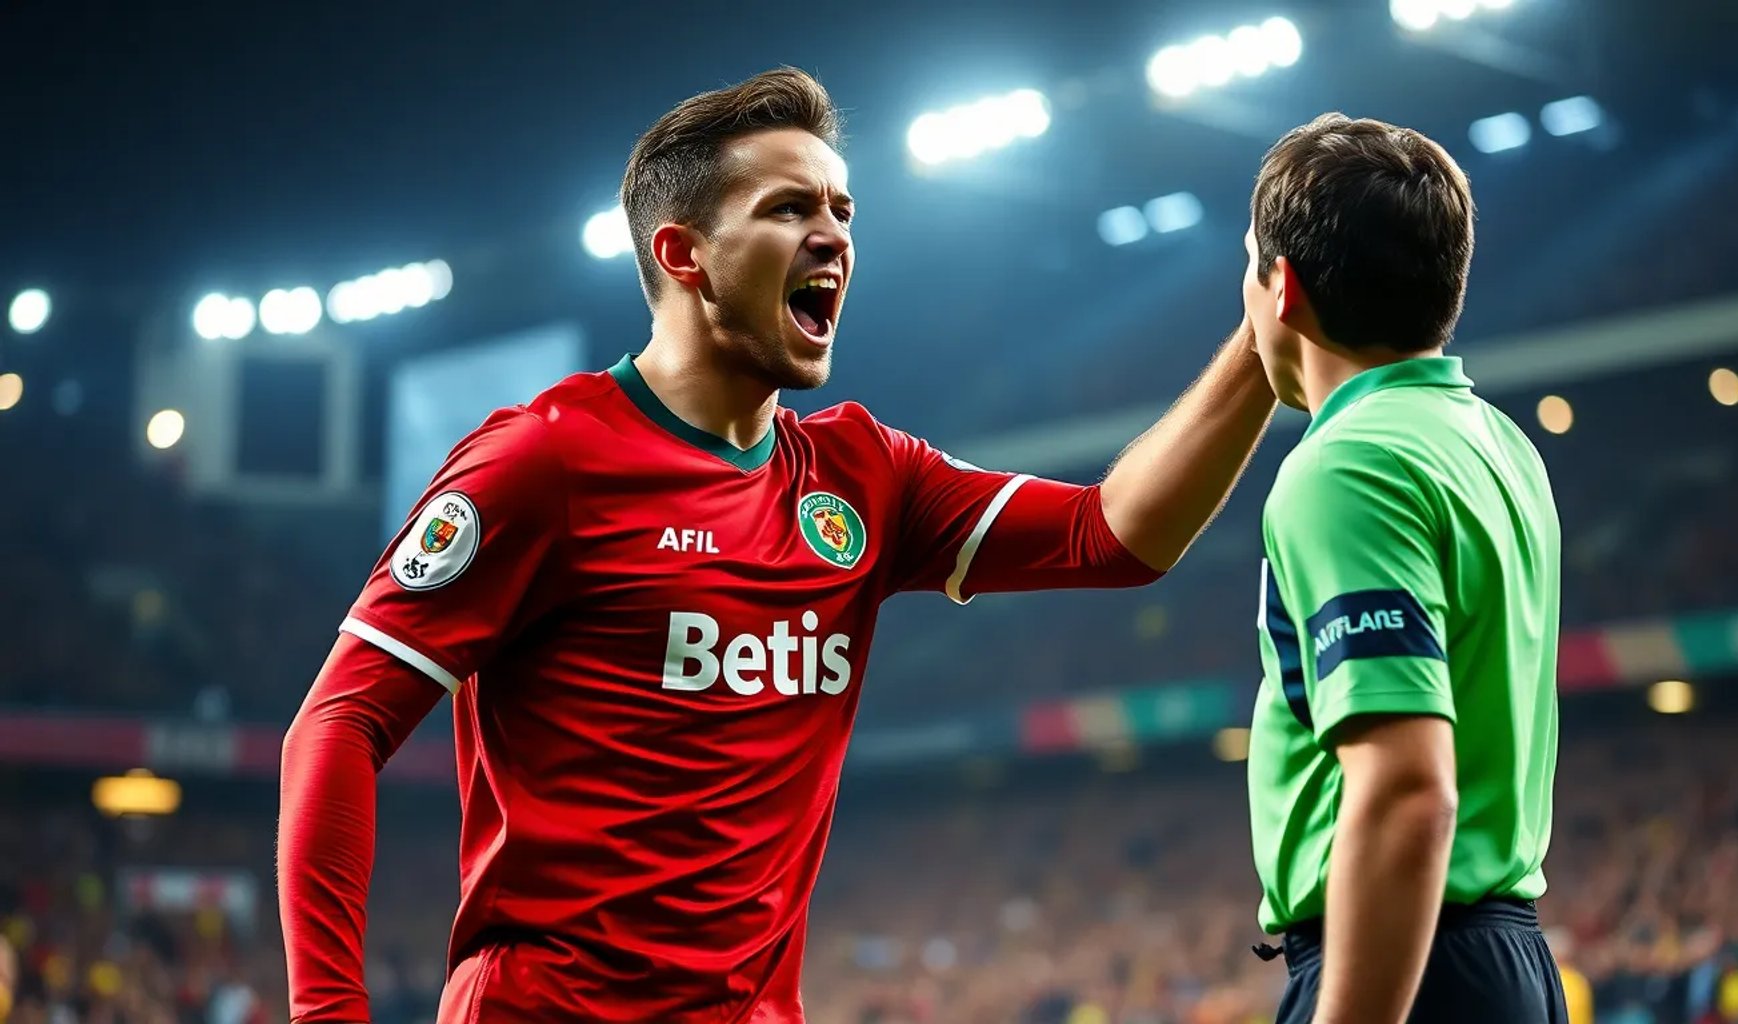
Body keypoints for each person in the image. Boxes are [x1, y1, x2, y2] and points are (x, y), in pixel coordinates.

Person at [277, 67, 1276, 1024]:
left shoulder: (863, 475)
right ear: (685, 255)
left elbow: (1114, 536)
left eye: (844, 213)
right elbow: (336, 726)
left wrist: (1262, 331)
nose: (833, 238)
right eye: (791, 209)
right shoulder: (545, 460)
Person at [1239, 113, 1565, 1024]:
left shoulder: (1349, 466)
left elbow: (1410, 788)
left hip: (1410, 962)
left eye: (1249, 268)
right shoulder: (1496, 442)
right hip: (1503, 956)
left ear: (1282, 287)